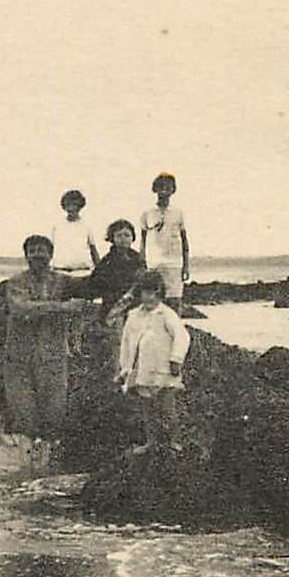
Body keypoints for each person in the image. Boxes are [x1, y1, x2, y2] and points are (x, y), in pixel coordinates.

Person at [2, 234, 92, 453]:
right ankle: (25, 468)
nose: (38, 255)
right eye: (33, 251)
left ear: (51, 255)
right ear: (26, 255)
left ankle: (47, 468)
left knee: (55, 410)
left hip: (53, 355)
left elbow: (91, 288)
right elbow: (22, 309)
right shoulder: (16, 282)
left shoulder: (63, 281)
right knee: (24, 412)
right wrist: (63, 307)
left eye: (42, 251)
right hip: (20, 357)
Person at [117, 271, 191, 452]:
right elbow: (127, 343)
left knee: (167, 408)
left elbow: (182, 336)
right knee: (147, 410)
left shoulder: (166, 314)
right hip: (142, 370)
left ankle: (175, 441)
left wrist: (176, 359)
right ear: (139, 293)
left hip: (164, 370)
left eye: (154, 293)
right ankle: (151, 441)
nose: (150, 297)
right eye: (146, 292)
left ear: (161, 294)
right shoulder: (133, 315)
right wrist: (125, 368)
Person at [140, 172, 191, 311]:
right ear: (155, 189)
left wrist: (186, 266)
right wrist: (142, 263)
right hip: (153, 264)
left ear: (173, 190)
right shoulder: (147, 213)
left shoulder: (178, 213)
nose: (164, 190)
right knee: (153, 304)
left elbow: (184, 241)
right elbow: (143, 241)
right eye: (160, 187)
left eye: (168, 187)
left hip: (174, 265)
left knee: (174, 303)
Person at [85, 218, 147, 321]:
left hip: (133, 305)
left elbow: (144, 281)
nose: (123, 239)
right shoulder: (107, 260)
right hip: (112, 306)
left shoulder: (137, 259)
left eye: (127, 235)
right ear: (112, 238)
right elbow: (95, 282)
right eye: (119, 235)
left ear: (133, 238)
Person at [51, 189, 99, 271]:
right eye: (68, 205)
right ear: (64, 206)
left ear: (80, 206)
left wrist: (100, 269)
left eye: (74, 204)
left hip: (82, 272)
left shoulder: (86, 225)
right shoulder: (57, 226)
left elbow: (93, 249)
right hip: (60, 272)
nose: (71, 208)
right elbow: (51, 249)